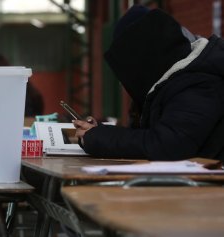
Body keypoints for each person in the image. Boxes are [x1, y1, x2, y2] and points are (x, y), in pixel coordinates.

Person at [74, 5, 224, 160]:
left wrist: (100, 138)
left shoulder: (197, 84)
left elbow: (167, 146)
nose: (123, 84)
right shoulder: (173, 84)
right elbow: (147, 138)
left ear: (144, 59)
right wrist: (96, 134)